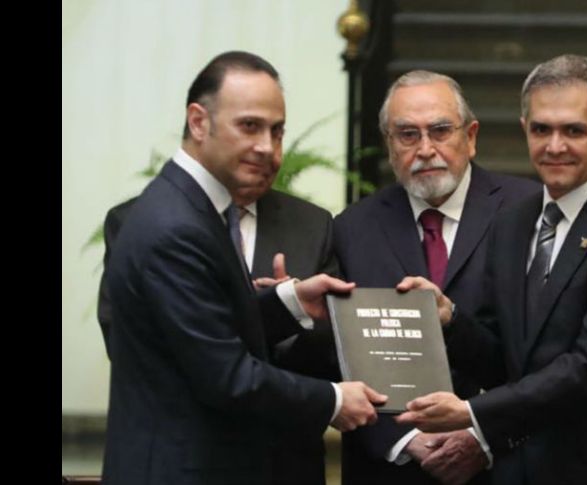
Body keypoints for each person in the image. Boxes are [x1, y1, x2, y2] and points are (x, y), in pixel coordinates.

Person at [395, 54, 587, 485]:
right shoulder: (512, 221)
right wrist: (450, 319)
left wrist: (472, 412)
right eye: (541, 129)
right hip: (525, 469)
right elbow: (507, 358)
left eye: (573, 130)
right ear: (524, 130)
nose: (554, 146)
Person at [100, 51, 387, 485]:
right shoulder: (177, 226)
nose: (267, 147)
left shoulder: (190, 208)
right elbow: (228, 375)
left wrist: (287, 301)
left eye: (277, 131)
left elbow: (213, 324)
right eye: (249, 126)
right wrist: (332, 400)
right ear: (198, 122)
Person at [332, 70, 539, 484]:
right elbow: (336, 358)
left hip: (501, 463)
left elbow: (545, 354)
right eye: (407, 135)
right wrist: (404, 439)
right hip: (388, 466)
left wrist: (482, 436)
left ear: (471, 135)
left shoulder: (528, 212)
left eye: (440, 130)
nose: (426, 149)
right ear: (389, 145)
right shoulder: (351, 228)